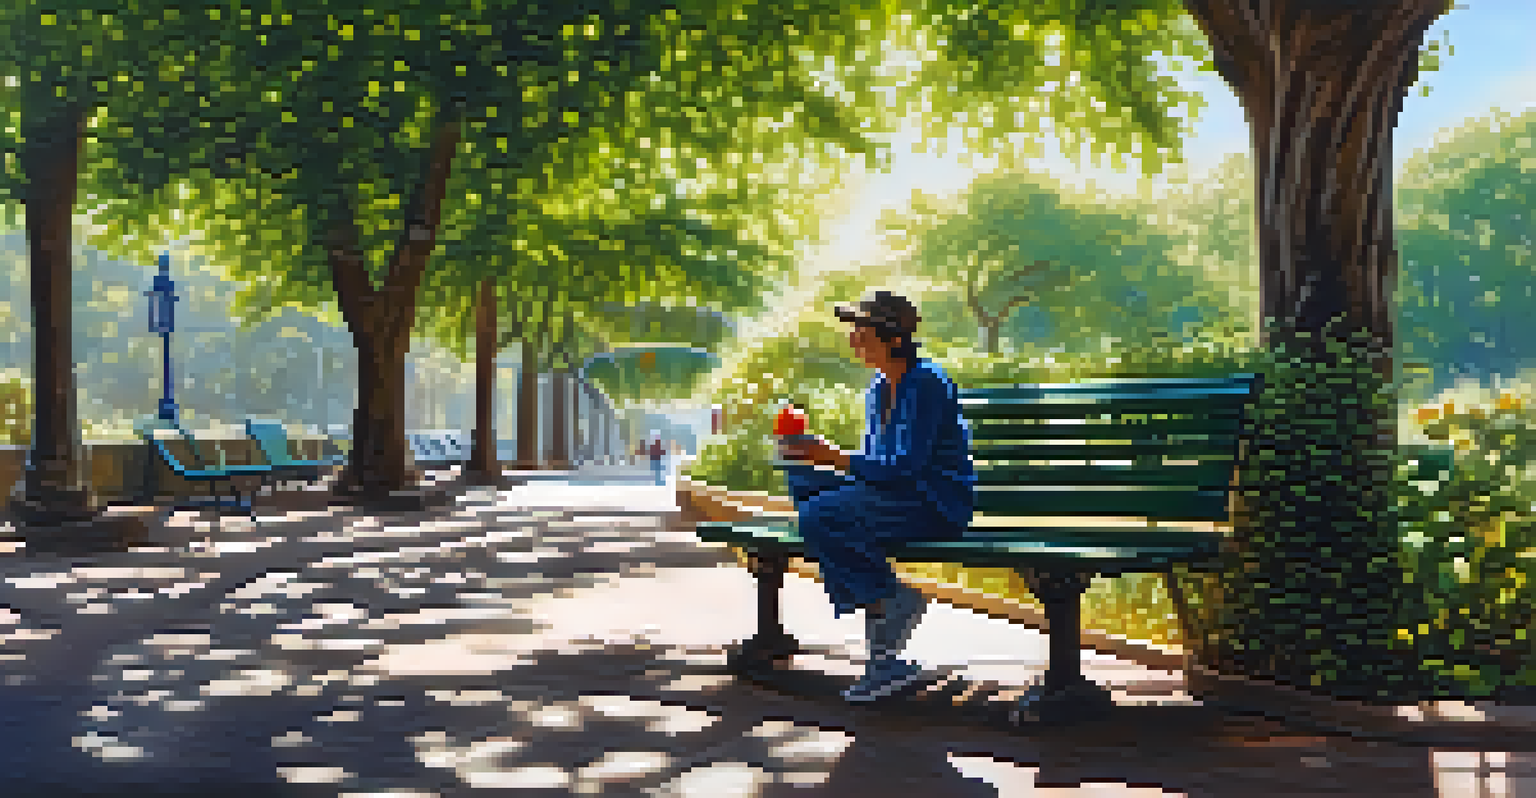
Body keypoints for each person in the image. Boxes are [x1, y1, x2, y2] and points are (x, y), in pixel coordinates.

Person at [778, 290, 976, 702]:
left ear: (892, 338)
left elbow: (905, 467)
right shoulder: (878, 387)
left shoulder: (926, 384)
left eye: (861, 330)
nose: (852, 338)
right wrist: (811, 459)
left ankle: (891, 606)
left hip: (931, 502)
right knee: (805, 490)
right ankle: (885, 650)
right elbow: (877, 462)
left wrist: (833, 457)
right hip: (894, 495)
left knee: (823, 515)